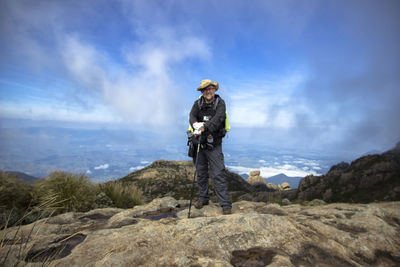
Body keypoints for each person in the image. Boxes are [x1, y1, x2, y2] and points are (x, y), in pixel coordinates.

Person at [189, 79, 232, 215]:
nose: (208, 91)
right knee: (201, 172)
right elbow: (192, 116)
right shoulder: (198, 103)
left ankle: (225, 204)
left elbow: (218, 119)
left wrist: (203, 128)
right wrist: (196, 125)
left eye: (211, 88)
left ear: (215, 90)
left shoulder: (220, 103)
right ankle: (203, 198)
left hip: (214, 144)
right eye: (206, 89)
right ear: (202, 91)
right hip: (200, 142)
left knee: (218, 173)